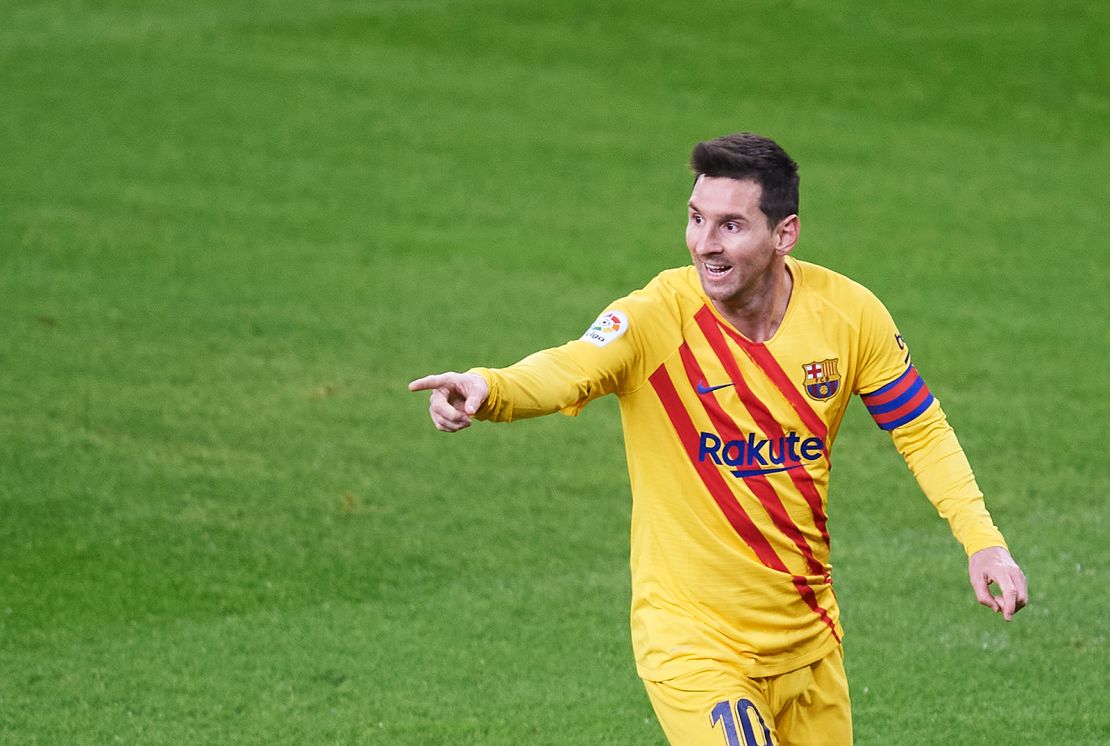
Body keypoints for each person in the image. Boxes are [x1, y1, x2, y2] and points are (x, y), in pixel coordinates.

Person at [408, 133, 1027, 745]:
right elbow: (570, 366)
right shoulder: (656, 316)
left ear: (784, 233)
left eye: (730, 225)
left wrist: (984, 543)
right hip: (692, 643)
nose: (705, 243)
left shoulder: (849, 316)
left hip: (807, 641)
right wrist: (488, 388)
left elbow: (920, 429)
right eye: (696, 218)